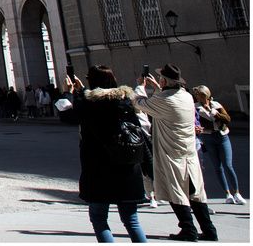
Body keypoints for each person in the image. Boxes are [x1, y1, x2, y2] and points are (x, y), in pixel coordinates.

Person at [56, 65, 148, 243]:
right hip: (128, 168)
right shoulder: (125, 101)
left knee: (99, 218)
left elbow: (67, 116)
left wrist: (68, 93)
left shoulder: (89, 105)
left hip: (99, 170)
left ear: (91, 81)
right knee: (131, 220)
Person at [135, 65, 218, 242]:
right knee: (195, 192)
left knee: (176, 192)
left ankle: (188, 229)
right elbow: (165, 98)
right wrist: (158, 88)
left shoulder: (163, 100)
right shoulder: (187, 97)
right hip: (188, 152)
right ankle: (209, 230)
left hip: (171, 153)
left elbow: (138, 103)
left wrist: (140, 86)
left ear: (164, 81)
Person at [192, 86, 244, 205]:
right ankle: (227, 194)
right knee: (218, 167)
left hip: (222, 136)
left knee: (228, 165)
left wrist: (214, 114)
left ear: (205, 95)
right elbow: (197, 122)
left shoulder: (216, 105)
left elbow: (227, 119)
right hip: (208, 137)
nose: (196, 96)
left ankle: (237, 193)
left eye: (198, 94)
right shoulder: (196, 107)